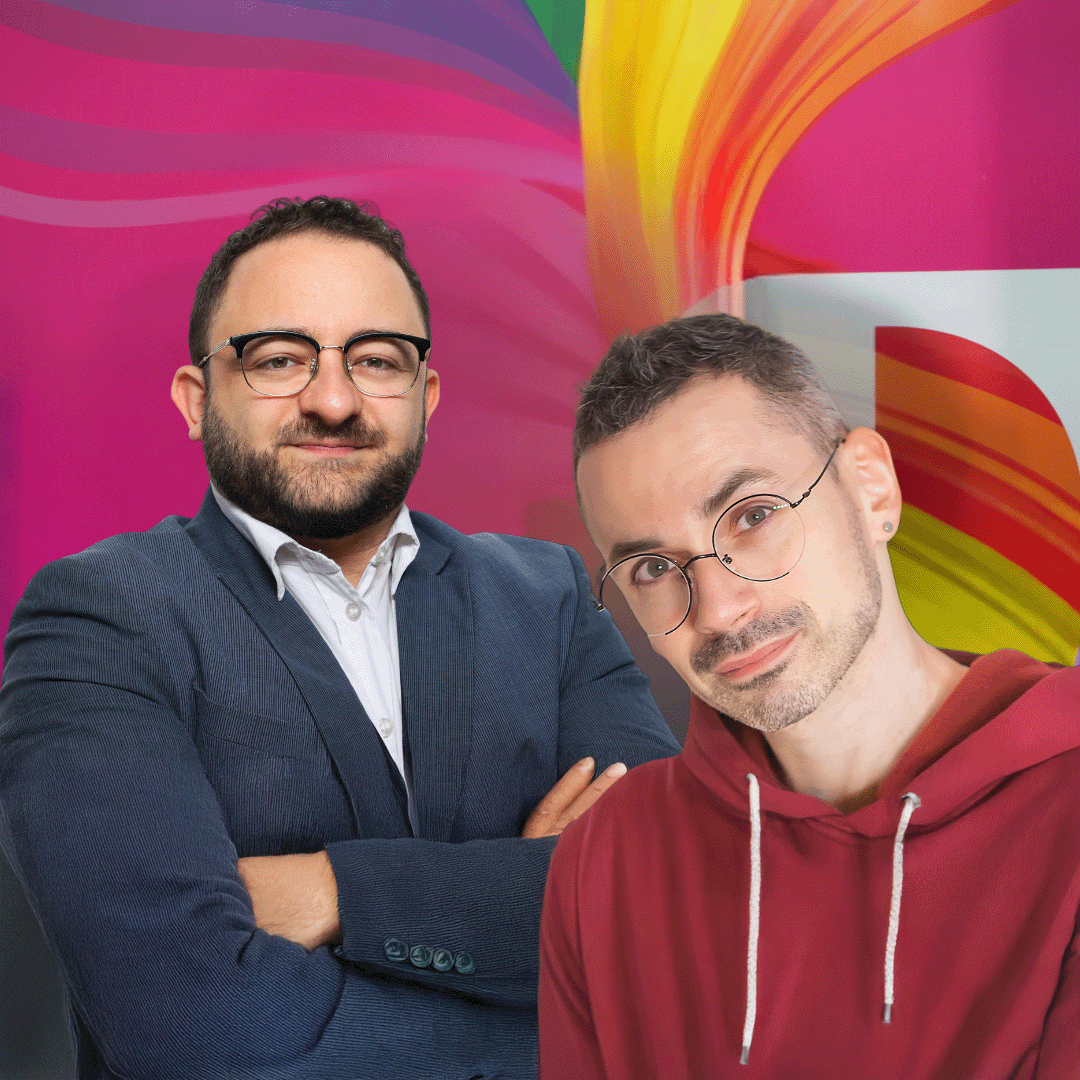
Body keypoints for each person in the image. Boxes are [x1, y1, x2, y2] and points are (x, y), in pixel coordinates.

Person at [0, 196, 680, 1080]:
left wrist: (333, 892)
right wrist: (536, 915)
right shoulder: (99, 615)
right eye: (278, 358)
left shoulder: (546, 596)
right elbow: (194, 1031)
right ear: (197, 399)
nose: (333, 398)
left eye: (377, 360)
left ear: (426, 396)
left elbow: (675, 913)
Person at [539, 313, 1079, 1079]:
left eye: (754, 517)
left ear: (871, 487)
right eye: (655, 569)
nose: (720, 609)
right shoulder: (605, 857)